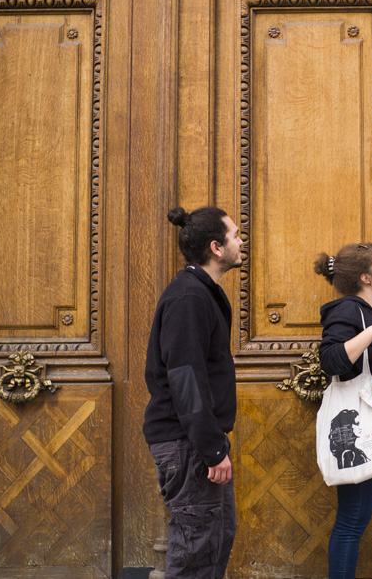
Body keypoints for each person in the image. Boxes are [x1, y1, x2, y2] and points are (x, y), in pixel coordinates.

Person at [143, 206, 243, 579]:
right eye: (235, 235)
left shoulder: (201, 292)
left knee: (215, 540)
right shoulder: (189, 298)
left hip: (198, 443)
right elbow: (185, 379)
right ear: (217, 247)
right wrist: (212, 448)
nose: (241, 239)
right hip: (189, 445)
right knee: (196, 553)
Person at [314, 242, 372, 579]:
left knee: (353, 520)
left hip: (364, 426)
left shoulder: (364, 313)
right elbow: (331, 360)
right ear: (366, 276)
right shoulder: (349, 311)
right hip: (356, 432)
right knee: (350, 522)